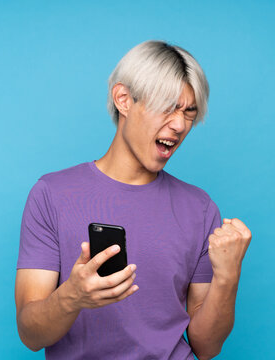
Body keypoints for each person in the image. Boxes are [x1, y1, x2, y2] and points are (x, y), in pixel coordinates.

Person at [14, 39, 252, 360]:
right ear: (123, 99)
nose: (180, 125)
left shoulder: (200, 208)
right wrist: (71, 297)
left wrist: (228, 277)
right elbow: (30, 334)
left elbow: (206, 347)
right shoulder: (52, 195)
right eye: (168, 106)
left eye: (189, 112)